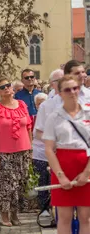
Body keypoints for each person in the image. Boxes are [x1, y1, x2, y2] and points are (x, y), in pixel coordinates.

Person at [43, 75, 90, 234]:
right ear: (60, 93)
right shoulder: (54, 117)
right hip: (62, 167)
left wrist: (86, 173)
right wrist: (61, 175)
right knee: (64, 218)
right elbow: (49, 149)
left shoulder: (89, 113)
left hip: (86, 167)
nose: (72, 92)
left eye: (75, 88)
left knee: (86, 217)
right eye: (67, 89)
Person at [0, 77, 32, 227]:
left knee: (20, 184)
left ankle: (15, 214)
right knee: (6, 186)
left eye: (8, 85)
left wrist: (30, 148)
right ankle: (4, 215)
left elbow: (29, 127)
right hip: (5, 152)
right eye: (2, 87)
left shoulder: (22, 104)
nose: (6, 88)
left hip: (23, 151)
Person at [33, 69, 64, 210]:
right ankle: (48, 213)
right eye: (59, 80)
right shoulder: (47, 105)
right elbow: (37, 132)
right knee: (50, 189)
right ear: (53, 84)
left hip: (72, 155)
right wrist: (53, 144)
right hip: (47, 154)